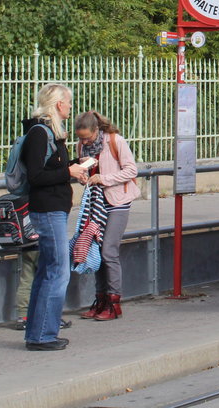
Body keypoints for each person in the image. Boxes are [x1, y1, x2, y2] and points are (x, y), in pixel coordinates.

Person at [22, 82, 87, 351]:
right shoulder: (40, 133)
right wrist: (68, 172)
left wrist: (73, 167)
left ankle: (38, 333)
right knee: (58, 272)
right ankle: (43, 336)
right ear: (59, 104)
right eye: (68, 102)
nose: (70, 107)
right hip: (47, 211)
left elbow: (49, 169)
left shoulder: (49, 132)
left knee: (48, 271)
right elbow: (36, 176)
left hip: (52, 209)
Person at [73, 110, 140, 321]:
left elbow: (131, 170)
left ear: (97, 130)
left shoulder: (115, 141)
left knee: (109, 251)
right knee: (96, 250)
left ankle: (113, 302)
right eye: (81, 138)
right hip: (96, 203)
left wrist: (103, 178)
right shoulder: (82, 146)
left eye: (87, 137)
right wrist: (83, 177)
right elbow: (84, 172)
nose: (84, 142)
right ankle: (100, 299)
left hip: (118, 201)